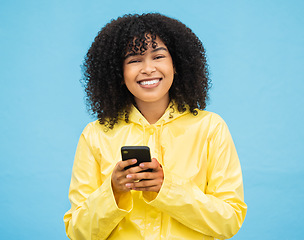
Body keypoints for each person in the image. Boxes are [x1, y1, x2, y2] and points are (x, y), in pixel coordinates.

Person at [63, 13, 247, 240]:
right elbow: (78, 232)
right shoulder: (95, 135)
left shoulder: (211, 128)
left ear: (176, 64)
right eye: (134, 60)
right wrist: (112, 191)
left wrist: (166, 188)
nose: (148, 69)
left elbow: (229, 221)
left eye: (158, 56)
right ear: (118, 74)